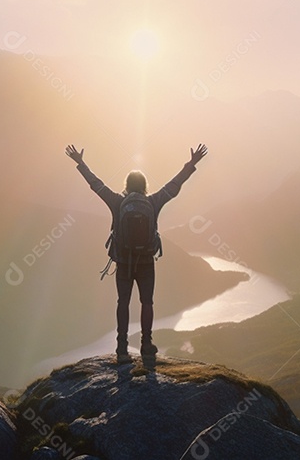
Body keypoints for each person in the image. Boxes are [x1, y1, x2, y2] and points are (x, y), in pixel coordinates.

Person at [66, 143, 208, 364]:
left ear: (127, 186)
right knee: (147, 302)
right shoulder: (153, 202)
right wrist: (191, 164)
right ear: (144, 186)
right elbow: (174, 185)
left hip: (123, 261)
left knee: (123, 302)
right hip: (146, 261)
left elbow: (96, 185)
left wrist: (81, 163)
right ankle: (146, 346)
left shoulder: (117, 202)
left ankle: (122, 348)